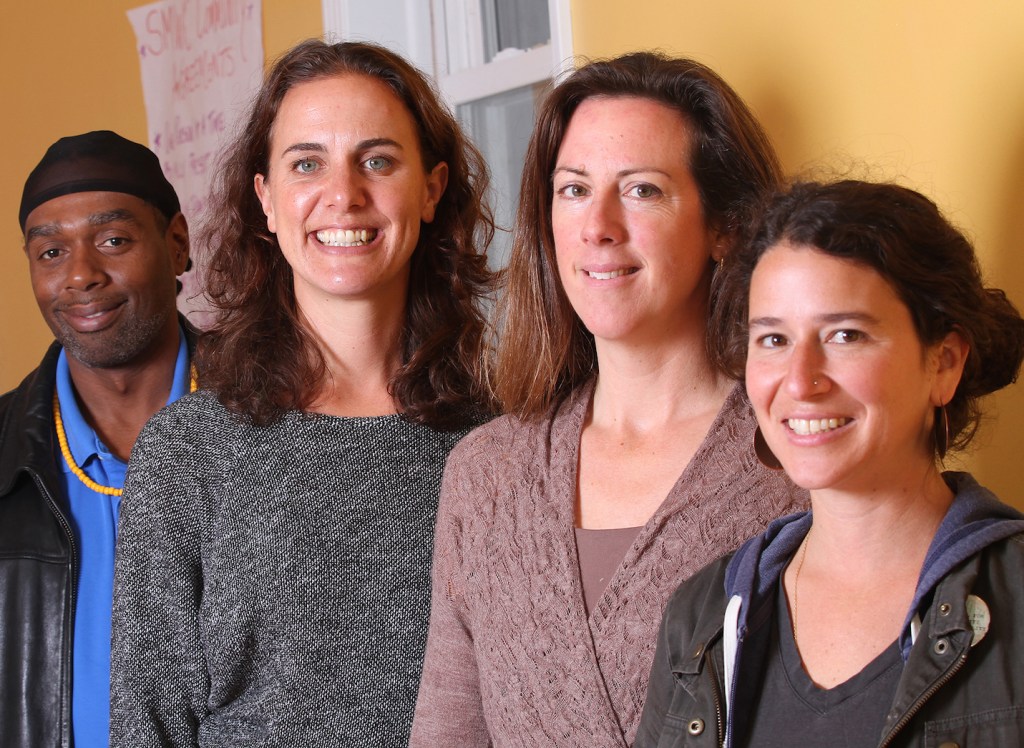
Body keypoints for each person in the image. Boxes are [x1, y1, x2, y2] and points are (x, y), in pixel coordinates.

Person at [411, 52, 807, 746]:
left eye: (642, 190)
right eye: (572, 190)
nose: (597, 225)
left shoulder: (794, 464)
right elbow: (448, 733)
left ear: (726, 226)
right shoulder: (485, 474)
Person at [108, 39, 495, 746]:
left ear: (432, 188)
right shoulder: (188, 453)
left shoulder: (500, 441)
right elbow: (147, 727)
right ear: (266, 199)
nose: (343, 195)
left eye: (377, 161)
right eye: (307, 163)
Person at [637, 180, 1024, 747]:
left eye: (845, 334)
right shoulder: (703, 617)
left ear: (943, 364)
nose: (799, 380)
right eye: (773, 340)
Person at [0, 130, 193, 748]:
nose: (80, 275)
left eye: (113, 240)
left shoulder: (277, 431)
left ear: (178, 243)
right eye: (50, 253)